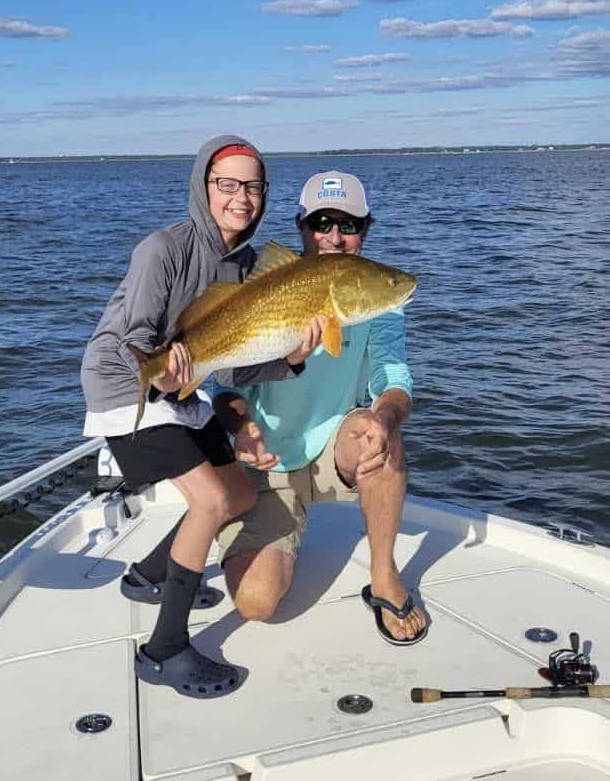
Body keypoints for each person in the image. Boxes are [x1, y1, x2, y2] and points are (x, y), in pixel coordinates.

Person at [80, 136, 305, 698]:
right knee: (208, 501)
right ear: (203, 186)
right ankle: (164, 650)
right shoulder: (162, 249)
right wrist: (161, 376)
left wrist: (292, 360)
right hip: (124, 385)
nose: (240, 197)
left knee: (238, 493)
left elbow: (233, 369)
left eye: (252, 186)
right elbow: (137, 336)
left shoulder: (249, 267)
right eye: (227, 184)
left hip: (182, 388)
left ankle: (149, 575)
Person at [213, 171, 427, 645]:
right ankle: (272, 528)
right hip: (266, 463)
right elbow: (223, 383)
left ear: (365, 230)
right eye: (322, 222)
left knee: (379, 431)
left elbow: (392, 376)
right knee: (256, 604)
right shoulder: (257, 287)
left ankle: (384, 575)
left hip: (333, 445)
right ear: (302, 227)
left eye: (348, 224)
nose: (334, 235)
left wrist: (386, 417)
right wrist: (240, 424)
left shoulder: (378, 297)